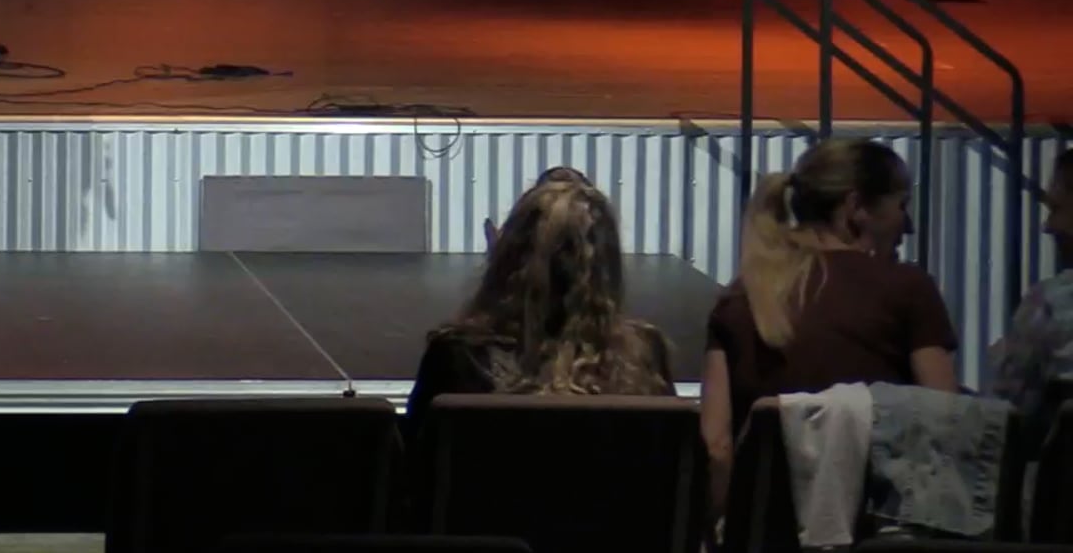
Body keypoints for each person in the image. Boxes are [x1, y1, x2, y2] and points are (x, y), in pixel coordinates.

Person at [699, 138, 960, 508]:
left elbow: (716, 445)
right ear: (855, 208)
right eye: (901, 206)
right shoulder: (909, 289)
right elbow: (946, 423)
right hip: (873, 528)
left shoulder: (740, 299)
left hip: (762, 526)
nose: (909, 226)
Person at [407, 172, 674, 438]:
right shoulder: (645, 356)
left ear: (508, 256)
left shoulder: (456, 356)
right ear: (609, 265)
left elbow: (416, 455)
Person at [985, 148, 1073, 428]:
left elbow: (1007, 408)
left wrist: (1001, 358)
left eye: (1056, 209)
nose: (1048, 227)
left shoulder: (1048, 304)